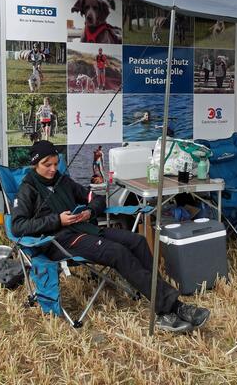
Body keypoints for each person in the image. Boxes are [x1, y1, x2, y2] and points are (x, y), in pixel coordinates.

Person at [11, 141, 210, 333]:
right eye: (47, 165)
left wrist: (90, 211)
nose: (53, 169)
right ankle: (172, 308)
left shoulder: (62, 181)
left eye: (55, 164)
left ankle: (160, 299)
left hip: (84, 229)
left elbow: (95, 198)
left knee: (137, 241)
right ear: (35, 164)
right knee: (117, 252)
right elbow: (18, 226)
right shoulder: (28, 189)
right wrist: (57, 220)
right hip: (60, 241)